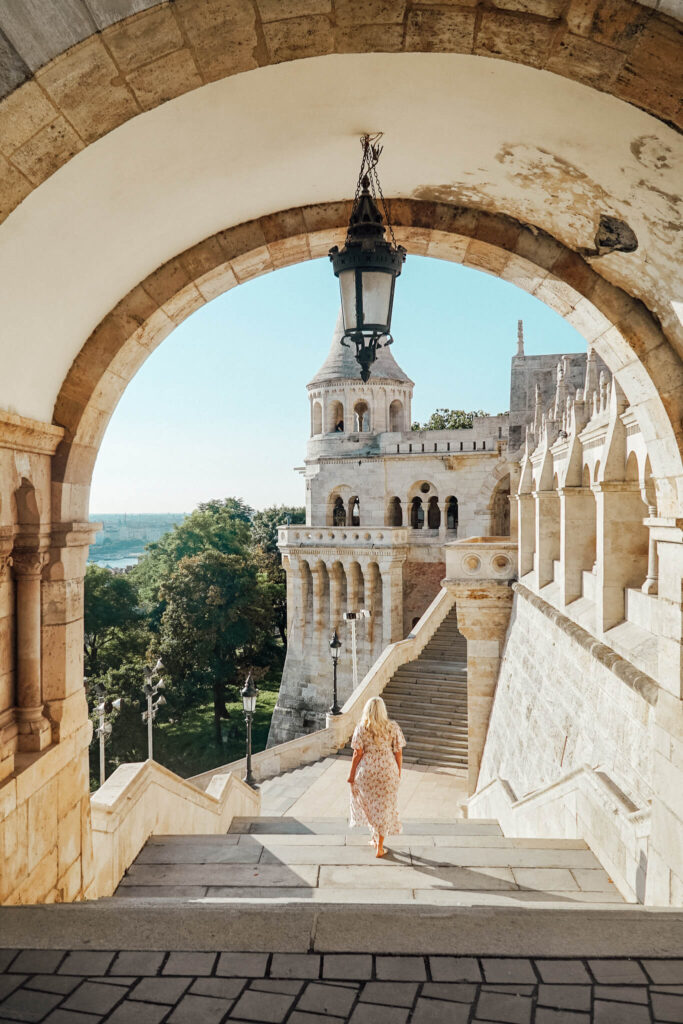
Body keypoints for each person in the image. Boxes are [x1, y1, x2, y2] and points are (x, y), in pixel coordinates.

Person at [347, 696, 406, 858]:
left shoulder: (361, 728)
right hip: (388, 770)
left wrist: (351, 775)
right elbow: (398, 752)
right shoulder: (393, 727)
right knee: (384, 807)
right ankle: (378, 844)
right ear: (383, 710)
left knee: (370, 805)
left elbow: (357, 753)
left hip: (367, 771)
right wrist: (398, 771)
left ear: (367, 710)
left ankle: (375, 841)